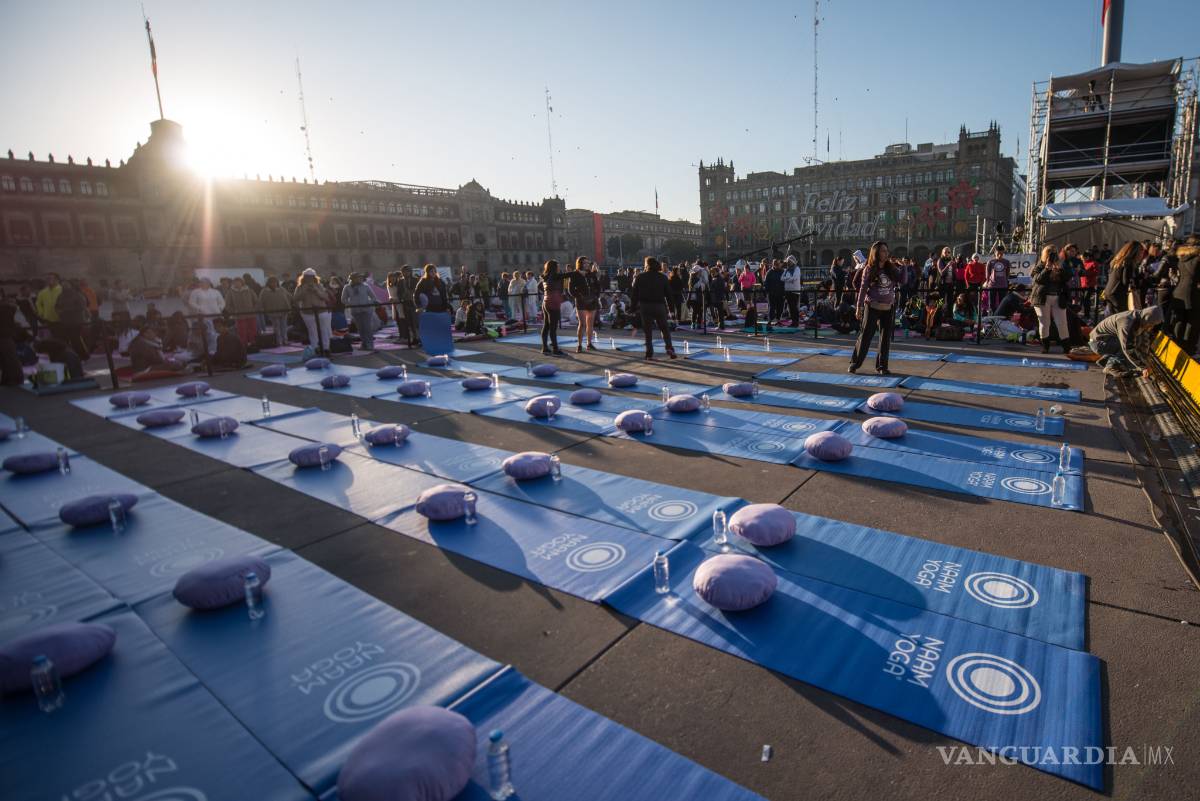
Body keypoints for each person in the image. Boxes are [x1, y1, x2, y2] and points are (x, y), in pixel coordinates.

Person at [849, 241, 901, 375]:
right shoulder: (869, 268)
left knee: (885, 338)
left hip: (888, 307)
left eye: (886, 250)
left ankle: (882, 366)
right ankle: (855, 363)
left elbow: (904, 280)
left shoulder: (891, 268)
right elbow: (862, 288)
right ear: (876, 253)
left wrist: (905, 267)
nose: (886, 253)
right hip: (872, 306)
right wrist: (858, 307)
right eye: (883, 250)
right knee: (866, 335)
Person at [1089, 306, 1163, 377]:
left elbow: (1144, 340)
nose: (1151, 327)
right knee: (1127, 347)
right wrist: (1143, 367)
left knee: (1135, 343)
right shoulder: (1127, 322)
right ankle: (1110, 367)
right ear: (1147, 319)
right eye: (1151, 324)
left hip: (1107, 340)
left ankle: (1105, 360)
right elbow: (1128, 348)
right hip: (1098, 343)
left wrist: (1145, 359)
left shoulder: (1140, 318)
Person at [1030, 244, 1073, 354]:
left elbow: (1068, 277)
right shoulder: (1040, 266)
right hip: (1042, 297)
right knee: (1045, 323)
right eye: (1049, 253)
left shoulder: (1060, 265)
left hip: (1058, 297)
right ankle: (1045, 346)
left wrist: (1060, 269)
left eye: (1054, 252)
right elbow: (1038, 280)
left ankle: (1067, 347)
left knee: (1062, 322)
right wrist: (1047, 268)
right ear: (1045, 254)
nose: (1052, 255)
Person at [631, 257, 676, 360]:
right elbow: (669, 295)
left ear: (646, 265)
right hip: (659, 305)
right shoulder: (663, 277)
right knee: (664, 329)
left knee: (648, 331)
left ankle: (649, 353)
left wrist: (632, 308)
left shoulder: (640, 277)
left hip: (645, 306)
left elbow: (634, 295)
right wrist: (672, 310)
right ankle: (669, 348)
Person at [293, 268, 334, 353]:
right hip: (307, 313)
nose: (309, 279)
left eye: (311, 277)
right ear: (304, 278)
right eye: (307, 277)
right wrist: (305, 290)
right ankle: (315, 349)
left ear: (314, 277)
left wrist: (316, 290)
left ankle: (326, 349)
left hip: (321, 311)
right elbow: (296, 298)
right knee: (312, 332)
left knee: (324, 331)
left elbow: (326, 298)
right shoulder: (300, 287)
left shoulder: (320, 286)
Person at [1170, 235, 1200, 354]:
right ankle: (1188, 349)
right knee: (1192, 322)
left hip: (1179, 292)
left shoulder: (1182, 256)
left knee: (1180, 321)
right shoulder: (1197, 259)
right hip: (1192, 294)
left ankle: (1177, 345)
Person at [566, 257, 601, 351]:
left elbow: (598, 285)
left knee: (590, 324)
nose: (586, 264)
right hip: (581, 302)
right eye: (584, 263)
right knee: (582, 324)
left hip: (592, 301)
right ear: (580, 264)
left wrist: (596, 296)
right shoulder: (575, 274)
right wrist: (579, 296)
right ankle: (579, 345)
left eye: (587, 263)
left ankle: (589, 344)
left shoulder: (591, 274)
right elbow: (570, 290)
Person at [341, 272, 379, 351]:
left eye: (360, 277)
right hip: (356, 311)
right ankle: (364, 344)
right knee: (360, 328)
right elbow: (343, 299)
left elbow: (373, 297)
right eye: (358, 278)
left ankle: (370, 344)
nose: (360, 279)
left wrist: (367, 303)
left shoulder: (366, 286)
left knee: (367, 328)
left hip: (366, 310)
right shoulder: (347, 287)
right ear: (352, 279)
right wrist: (351, 304)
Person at [187, 277, 225, 353]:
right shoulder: (195, 292)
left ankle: (219, 348)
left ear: (209, 283)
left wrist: (220, 308)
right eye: (201, 282)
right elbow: (191, 302)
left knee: (217, 332)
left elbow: (222, 302)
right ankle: (208, 349)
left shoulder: (215, 292)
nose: (203, 284)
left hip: (216, 315)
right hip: (203, 316)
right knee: (208, 333)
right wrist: (199, 308)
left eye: (205, 282)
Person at [1104, 240, 1143, 314]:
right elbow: (1125, 281)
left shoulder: (1117, 260)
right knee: (1122, 318)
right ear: (1135, 252)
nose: (1141, 255)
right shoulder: (1128, 262)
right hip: (1118, 294)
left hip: (1109, 291)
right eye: (1141, 252)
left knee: (1112, 319)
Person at [55, 279, 90, 360]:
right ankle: (73, 355)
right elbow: (56, 306)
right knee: (67, 339)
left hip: (76, 320)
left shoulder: (77, 294)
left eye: (66, 284)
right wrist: (58, 311)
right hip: (65, 321)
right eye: (63, 284)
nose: (64, 286)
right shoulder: (60, 296)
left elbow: (82, 306)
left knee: (76, 339)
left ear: (70, 285)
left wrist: (66, 310)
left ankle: (84, 355)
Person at [539, 259, 565, 355]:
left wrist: (547, 292)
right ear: (554, 268)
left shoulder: (545, 277)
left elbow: (539, 286)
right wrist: (576, 272)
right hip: (553, 302)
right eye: (558, 266)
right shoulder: (555, 276)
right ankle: (555, 348)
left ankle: (545, 347)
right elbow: (566, 275)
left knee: (546, 326)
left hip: (546, 301)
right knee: (553, 327)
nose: (559, 268)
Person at [258, 276, 292, 347]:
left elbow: (289, 296)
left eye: (275, 282)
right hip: (272, 312)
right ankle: (278, 341)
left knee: (283, 326)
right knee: (276, 327)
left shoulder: (282, 289)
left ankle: (285, 340)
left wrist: (289, 306)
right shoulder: (264, 291)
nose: (274, 284)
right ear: (269, 283)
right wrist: (261, 309)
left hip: (283, 311)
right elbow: (261, 301)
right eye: (272, 282)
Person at [225, 277, 259, 347]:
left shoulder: (249, 290)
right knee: (241, 331)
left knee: (253, 330)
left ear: (242, 282)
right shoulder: (230, 292)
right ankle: (243, 345)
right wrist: (234, 312)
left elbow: (256, 301)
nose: (237, 283)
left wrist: (254, 310)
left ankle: (254, 344)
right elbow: (228, 305)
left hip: (251, 314)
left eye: (238, 282)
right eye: (235, 282)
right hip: (239, 316)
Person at [984, 246, 1011, 313]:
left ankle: (1002, 316)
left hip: (1003, 285)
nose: (999, 255)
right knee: (991, 303)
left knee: (1002, 303)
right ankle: (992, 316)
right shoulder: (990, 262)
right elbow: (987, 274)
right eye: (998, 253)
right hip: (992, 285)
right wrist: (987, 282)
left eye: (1001, 254)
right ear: (995, 253)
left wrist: (1005, 281)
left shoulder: (1006, 262)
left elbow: (1007, 273)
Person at [782, 256, 803, 326]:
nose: (788, 263)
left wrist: (787, 279)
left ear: (792, 262)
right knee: (790, 307)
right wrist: (789, 279)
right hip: (787, 290)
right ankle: (793, 321)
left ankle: (796, 321)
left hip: (795, 290)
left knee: (794, 307)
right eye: (787, 262)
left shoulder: (797, 269)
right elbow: (781, 278)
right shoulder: (786, 270)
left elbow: (795, 278)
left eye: (789, 261)